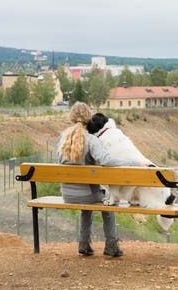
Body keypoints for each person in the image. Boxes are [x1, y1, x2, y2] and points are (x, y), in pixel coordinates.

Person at [56, 102, 144, 257]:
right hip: (87, 194)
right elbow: (107, 161)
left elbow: (59, 163)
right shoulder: (91, 140)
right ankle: (111, 245)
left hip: (67, 194)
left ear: (71, 118)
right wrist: (132, 162)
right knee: (107, 201)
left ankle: (84, 243)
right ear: (88, 118)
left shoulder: (64, 138)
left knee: (87, 204)